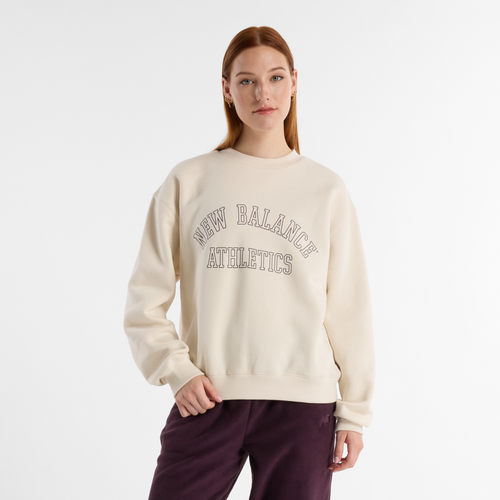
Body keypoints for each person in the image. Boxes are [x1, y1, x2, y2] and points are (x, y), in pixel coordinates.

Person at [123, 25, 376, 500]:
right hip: (208, 397)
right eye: (247, 81)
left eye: (276, 77)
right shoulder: (188, 181)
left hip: (304, 405)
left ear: (294, 82)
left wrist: (355, 412)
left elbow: (349, 309)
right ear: (226, 89)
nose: (264, 93)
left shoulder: (326, 190)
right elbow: (143, 303)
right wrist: (177, 370)